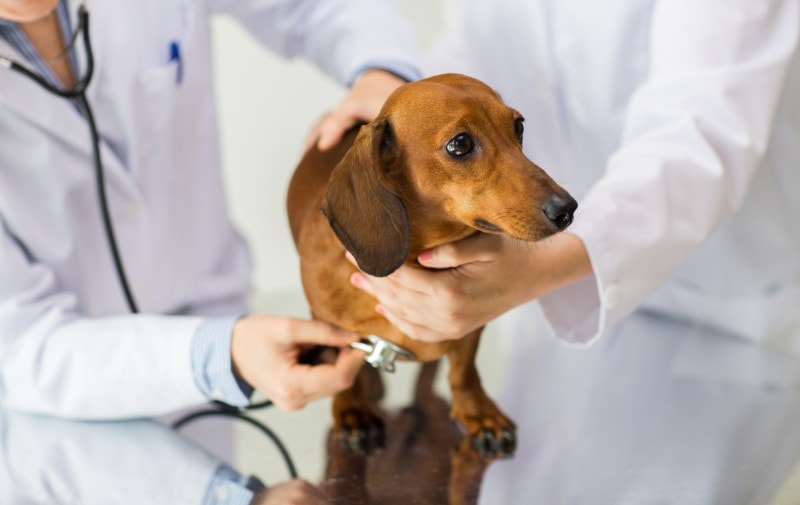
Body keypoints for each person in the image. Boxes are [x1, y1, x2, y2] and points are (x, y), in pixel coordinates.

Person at [0, 0, 422, 420]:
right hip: (54, 413)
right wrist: (219, 353)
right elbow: (19, 346)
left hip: (218, 324)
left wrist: (384, 76)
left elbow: (311, 7)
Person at [350, 0, 800, 354]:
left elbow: (701, 127)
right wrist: (391, 89)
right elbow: (474, 46)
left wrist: (552, 263)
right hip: (523, 303)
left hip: (718, 304)